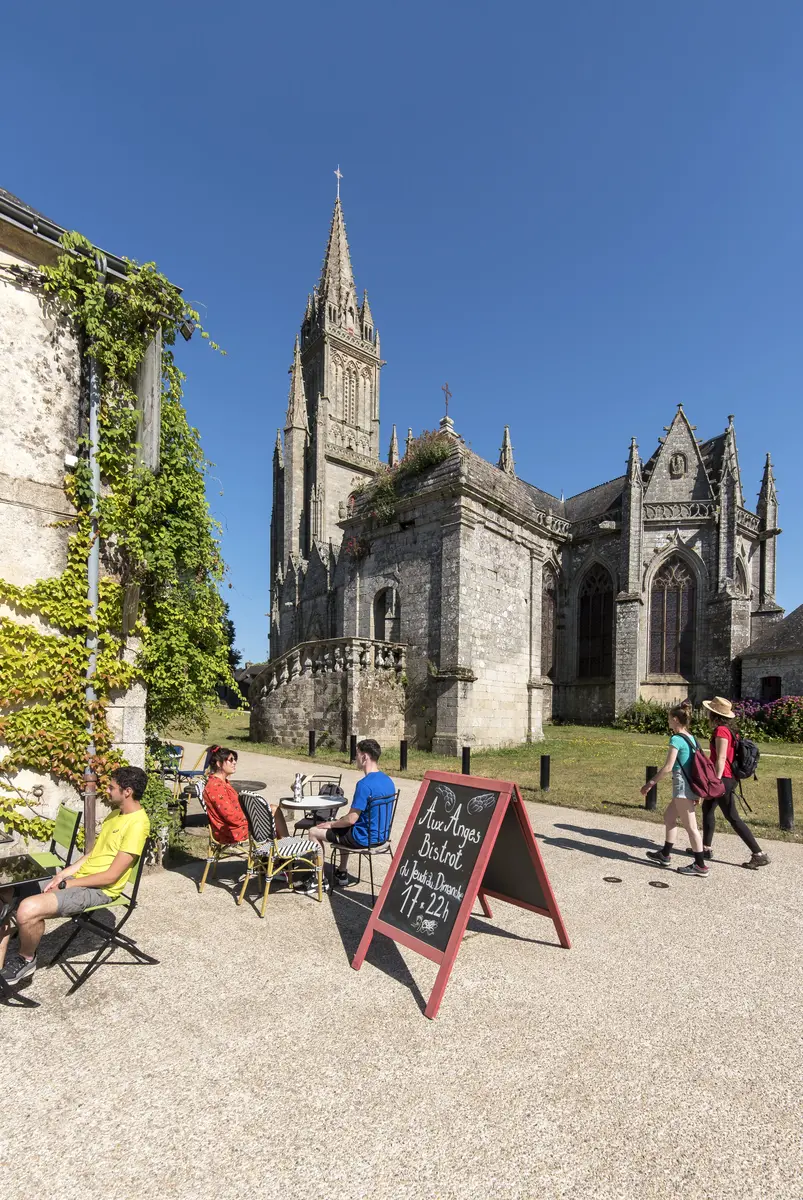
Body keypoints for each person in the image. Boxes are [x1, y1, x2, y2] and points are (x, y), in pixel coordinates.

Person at [0, 765, 151, 988]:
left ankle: (26, 958)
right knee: (8, 889)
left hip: (99, 889)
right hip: (81, 878)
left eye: (112, 787)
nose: (107, 791)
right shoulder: (115, 815)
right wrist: (63, 873)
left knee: (27, 909)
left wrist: (68, 883)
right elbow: (92, 855)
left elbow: (111, 876)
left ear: (127, 791)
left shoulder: (138, 825)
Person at [307, 738, 395, 890]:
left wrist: (331, 824)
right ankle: (341, 872)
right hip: (380, 836)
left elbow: (352, 819)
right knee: (341, 823)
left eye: (357, 754)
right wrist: (338, 822)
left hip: (361, 838)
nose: (355, 758)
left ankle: (318, 879)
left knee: (314, 831)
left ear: (365, 757)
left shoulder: (364, 784)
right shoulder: (388, 781)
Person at [640, 701, 710, 878]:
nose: (668, 722)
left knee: (691, 827)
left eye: (669, 719)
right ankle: (665, 854)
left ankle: (700, 865)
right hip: (689, 785)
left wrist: (650, 783)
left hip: (682, 787)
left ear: (676, 720)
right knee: (669, 817)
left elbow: (668, 767)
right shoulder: (692, 738)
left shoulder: (676, 739)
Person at [700, 697, 769, 869]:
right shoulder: (731, 730)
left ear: (714, 714)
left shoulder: (722, 731)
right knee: (707, 808)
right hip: (728, 777)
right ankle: (705, 848)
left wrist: (714, 781)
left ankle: (758, 854)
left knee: (732, 817)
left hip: (724, 778)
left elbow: (721, 758)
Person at [203, 745, 288, 846]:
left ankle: (279, 849)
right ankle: (283, 848)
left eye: (234, 760)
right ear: (219, 764)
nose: (234, 762)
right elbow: (231, 817)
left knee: (273, 809)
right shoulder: (216, 787)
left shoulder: (222, 782)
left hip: (235, 827)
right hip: (232, 832)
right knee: (273, 811)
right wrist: (253, 816)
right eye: (230, 760)